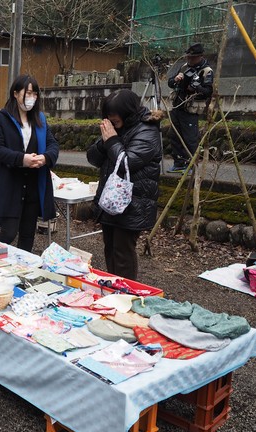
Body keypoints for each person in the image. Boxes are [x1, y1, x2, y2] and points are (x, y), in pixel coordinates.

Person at [87, 89, 162, 281]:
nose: (111, 119)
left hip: (133, 203)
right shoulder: (115, 128)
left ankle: (125, 294)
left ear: (128, 111)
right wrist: (105, 141)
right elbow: (93, 158)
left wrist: (111, 140)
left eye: (114, 114)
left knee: (123, 252)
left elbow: (127, 163)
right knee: (110, 248)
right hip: (111, 201)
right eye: (108, 115)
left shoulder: (147, 130)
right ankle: (113, 288)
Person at [0, 74, 59, 252]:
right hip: (11, 185)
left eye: (35, 94)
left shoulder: (40, 120)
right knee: (8, 232)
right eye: (28, 93)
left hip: (34, 185)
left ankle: (21, 272)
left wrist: (45, 158)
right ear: (15, 93)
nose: (31, 98)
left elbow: (52, 145)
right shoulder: (1, 119)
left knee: (28, 235)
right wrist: (23, 159)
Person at [167, 43, 213, 173]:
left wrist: (196, 87)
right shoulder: (184, 67)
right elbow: (170, 83)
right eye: (188, 57)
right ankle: (178, 163)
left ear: (200, 56)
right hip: (178, 106)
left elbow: (208, 91)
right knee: (175, 136)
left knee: (190, 139)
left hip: (191, 109)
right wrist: (175, 79)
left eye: (193, 57)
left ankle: (191, 165)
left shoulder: (206, 71)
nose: (189, 60)